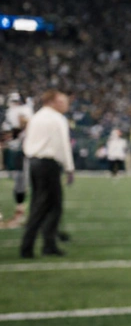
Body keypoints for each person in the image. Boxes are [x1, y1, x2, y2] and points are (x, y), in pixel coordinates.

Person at [20, 90, 74, 258]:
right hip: (48, 164)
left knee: (39, 203)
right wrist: (69, 168)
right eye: (62, 102)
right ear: (52, 102)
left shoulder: (36, 117)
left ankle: (47, 244)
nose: (66, 105)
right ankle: (31, 246)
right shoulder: (57, 119)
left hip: (34, 163)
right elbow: (64, 145)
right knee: (49, 206)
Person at [3, 92, 33, 228]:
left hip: (27, 152)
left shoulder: (23, 113)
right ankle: (21, 211)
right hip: (20, 151)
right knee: (20, 182)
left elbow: (24, 123)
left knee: (23, 182)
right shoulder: (9, 115)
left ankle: (23, 213)